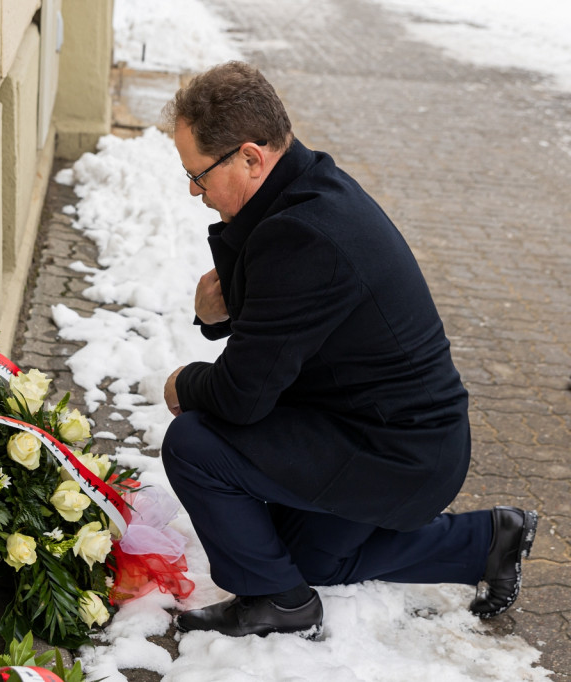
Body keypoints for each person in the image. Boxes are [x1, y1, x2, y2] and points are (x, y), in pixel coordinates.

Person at [160, 61, 538, 639]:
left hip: (395, 452)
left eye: (199, 175)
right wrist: (215, 316)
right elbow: (276, 333)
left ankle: (277, 602)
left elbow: (242, 397)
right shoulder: (305, 190)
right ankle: (486, 542)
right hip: (389, 435)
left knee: (193, 442)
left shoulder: (302, 234)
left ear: (251, 157)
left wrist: (183, 384)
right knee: (308, 560)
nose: (194, 190)